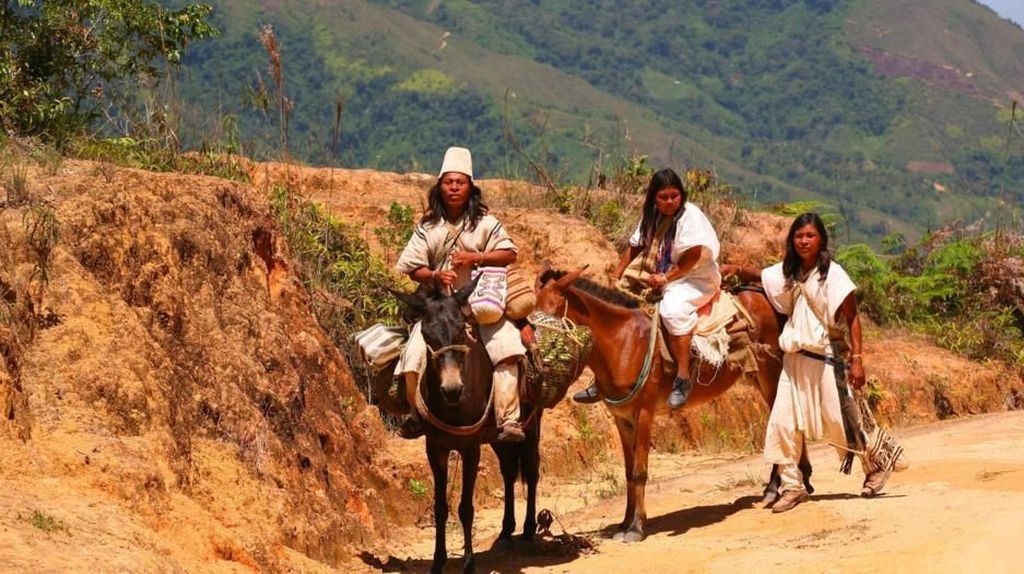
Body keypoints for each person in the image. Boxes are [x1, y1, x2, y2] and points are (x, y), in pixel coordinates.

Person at [721, 212, 890, 513]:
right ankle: (793, 486)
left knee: (839, 423)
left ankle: (876, 465)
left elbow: (852, 317)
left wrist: (858, 360)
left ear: (821, 239)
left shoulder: (833, 274)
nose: (804, 241)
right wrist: (737, 270)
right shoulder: (789, 272)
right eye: (799, 236)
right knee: (781, 424)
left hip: (824, 358)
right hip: (794, 360)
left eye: (810, 236)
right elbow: (761, 276)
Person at [393, 146, 527, 443]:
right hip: (439, 311)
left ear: (470, 188)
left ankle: (508, 420)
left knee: (507, 349)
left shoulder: (486, 224)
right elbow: (413, 268)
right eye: (448, 182)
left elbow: (509, 254)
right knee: (412, 355)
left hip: (481, 305)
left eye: (460, 182)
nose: (454, 187)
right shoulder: (427, 228)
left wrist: (475, 258)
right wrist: (434, 276)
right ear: (439, 187)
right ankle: (416, 416)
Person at [572, 167, 722, 409]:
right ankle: (602, 380)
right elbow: (636, 245)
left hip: (694, 277)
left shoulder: (690, 215)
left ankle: (682, 377)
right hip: (660, 273)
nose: (670, 201)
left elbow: (693, 255)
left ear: (682, 195)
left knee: (672, 311)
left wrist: (666, 278)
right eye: (664, 197)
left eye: (675, 195)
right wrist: (616, 275)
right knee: (616, 309)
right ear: (654, 197)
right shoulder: (652, 215)